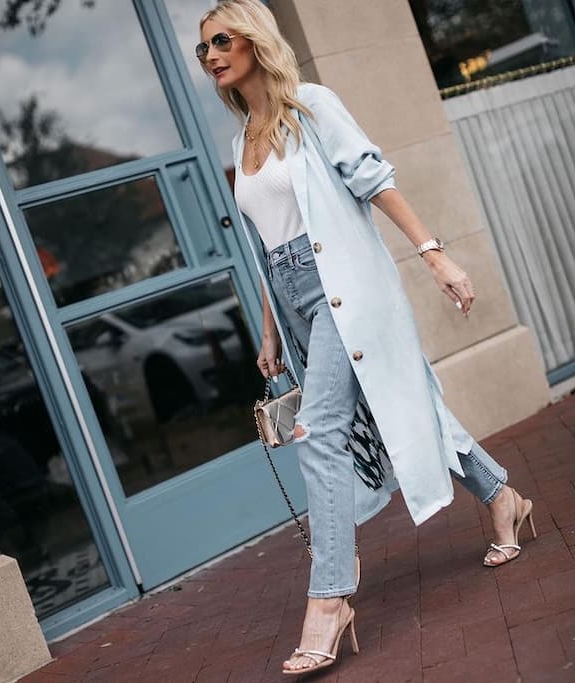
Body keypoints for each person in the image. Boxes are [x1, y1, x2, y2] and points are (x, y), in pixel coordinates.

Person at [196, 0, 537, 676]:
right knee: (401, 408)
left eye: (221, 40)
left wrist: (434, 253)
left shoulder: (312, 106)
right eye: (201, 49)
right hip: (294, 303)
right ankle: (504, 497)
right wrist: (268, 330)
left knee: (319, 432)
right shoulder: (240, 141)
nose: (210, 56)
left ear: (255, 40)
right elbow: (268, 249)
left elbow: (376, 182)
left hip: (343, 291)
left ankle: (328, 600)